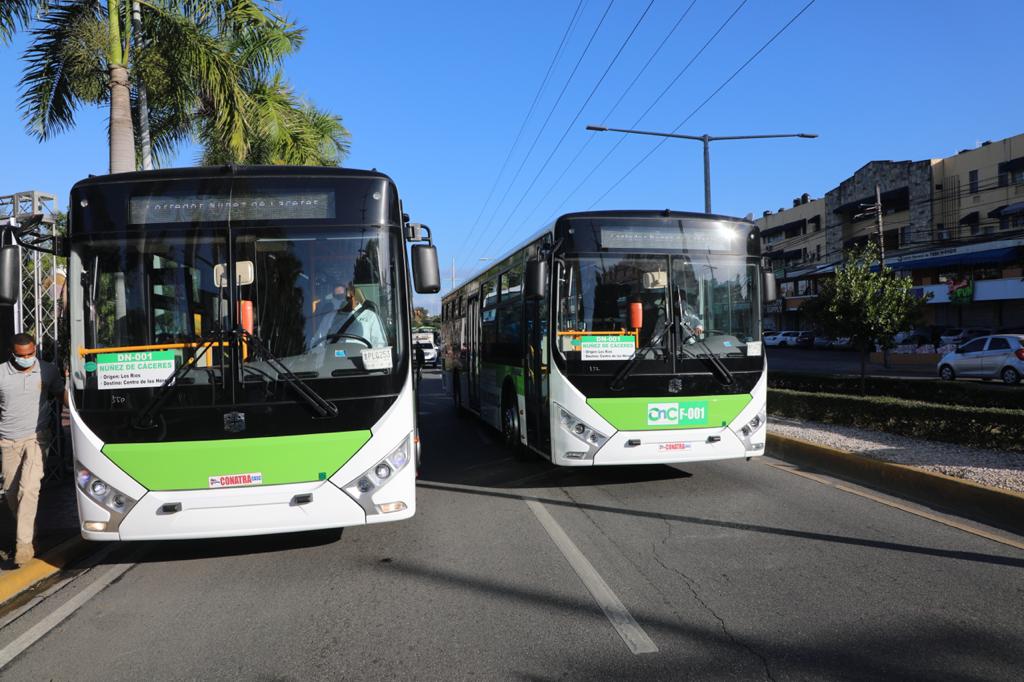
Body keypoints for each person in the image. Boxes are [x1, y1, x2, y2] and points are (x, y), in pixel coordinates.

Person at [1, 333, 66, 567]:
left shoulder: (48, 370)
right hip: (8, 441)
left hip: (37, 438)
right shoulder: (0, 374)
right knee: (11, 493)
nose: (27, 358)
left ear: (35, 349)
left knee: (28, 489)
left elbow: (61, 394)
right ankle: (31, 532)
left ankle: (23, 545)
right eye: (22, 355)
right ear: (12, 352)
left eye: (31, 354)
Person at [315, 284, 388, 348]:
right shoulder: (329, 318)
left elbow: (380, 345)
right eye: (335, 296)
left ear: (351, 294)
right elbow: (318, 344)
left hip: (361, 362)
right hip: (333, 361)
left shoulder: (370, 317)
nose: (336, 299)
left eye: (340, 296)